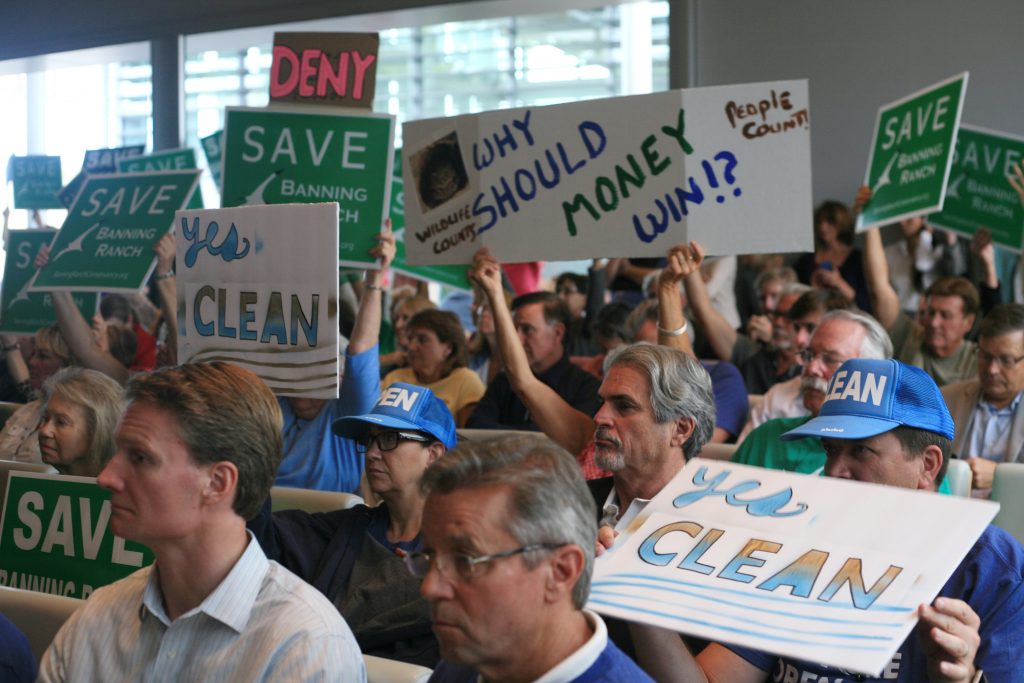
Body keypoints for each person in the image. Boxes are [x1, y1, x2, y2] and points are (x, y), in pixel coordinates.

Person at [629, 358, 1024, 682]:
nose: (835, 470)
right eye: (830, 449)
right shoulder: (795, 538)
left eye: (861, 452)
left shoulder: (990, 567)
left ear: (928, 465)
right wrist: (638, 601)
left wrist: (965, 678)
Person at [38, 362, 364, 682]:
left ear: (217, 483)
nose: (107, 477)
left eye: (140, 458)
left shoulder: (304, 648)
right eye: (118, 453)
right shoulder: (97, 618)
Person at [413, 434, 654, 683]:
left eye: (465, 560)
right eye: (429, 556)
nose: (429, 587)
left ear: (560, 572)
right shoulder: (465, 664)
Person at [251, 382, 456, 666]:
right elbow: (262, 536)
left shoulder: (462, 556)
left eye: (389, 439)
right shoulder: (348, 529)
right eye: (369, 440)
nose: (372, 452)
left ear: (433, 454)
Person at [275, 229, 393, 493]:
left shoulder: (347, 411)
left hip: (320, 526)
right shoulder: (274, 404)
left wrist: (374, 278)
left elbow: (362, 347)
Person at [733, 309, 891, 474]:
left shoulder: (882, 457)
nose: (811, 368)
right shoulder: (767, 437)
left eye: (830, 359)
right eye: (809, 355)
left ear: (871, 375)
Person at [862, 195, 985, 386]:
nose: (934, 323)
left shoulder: (979, 359)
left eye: (946, 315)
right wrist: (870, 218)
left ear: (968, 322)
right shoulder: (911, 337)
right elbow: (879, 289)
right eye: (931, 312)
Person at [467, 274, 602, 431]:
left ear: (558, 333)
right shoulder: (504, 380)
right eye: (514, 330)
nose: (517, 339)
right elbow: (476, 426)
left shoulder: (586, 389)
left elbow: (569, 437)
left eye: (527, 330)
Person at [738, 287, 856, 438]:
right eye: (797, 327)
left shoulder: (863, 408)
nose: (799, 339)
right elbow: (744, 454)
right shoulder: (778, 395)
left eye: (811, 328)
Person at [943, 303, 1024, 496]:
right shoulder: (945, 399)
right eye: (985, 356)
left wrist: (1000, 475)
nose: (992, 370)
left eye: (1006, 360)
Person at [383, 309, 485, 427]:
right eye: (410, 339)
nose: (411, 347)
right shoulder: (395, 378)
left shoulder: (466, 380)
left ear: (447, 348)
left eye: (422, 340)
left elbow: (469, 436)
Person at [0, 325, 72, 462]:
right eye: (33, 354)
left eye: (43, 356)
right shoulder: (25, 410)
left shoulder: (76, 420)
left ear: (67, 365)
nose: (31, 362)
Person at [36, 366, 124, 476]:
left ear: (97, 431)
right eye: (46, 418)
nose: (44, 430)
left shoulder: (121, 491)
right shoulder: (37, 486)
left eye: (61, 422)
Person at [794, 199, 871, 311]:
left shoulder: (858, 259)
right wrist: (813, 288)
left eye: (830, 222)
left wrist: (838, 283)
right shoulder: (806, 260)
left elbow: (868, 304)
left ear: (842, 224)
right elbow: (793, 299)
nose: (822, 227)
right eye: (820, 222)